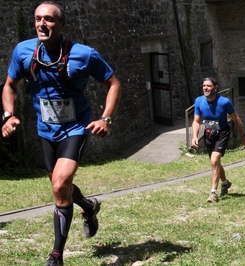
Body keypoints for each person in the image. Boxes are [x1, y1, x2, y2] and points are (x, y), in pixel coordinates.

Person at [1, 2, 122, 265]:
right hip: (46, 130)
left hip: (75, 127)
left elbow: (113, 84)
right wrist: (8, 115)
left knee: (59, 184)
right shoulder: (23, 51)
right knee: (60, 188)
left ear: (63, 24)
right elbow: (10, 85)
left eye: (49, 19)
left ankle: (56, 255)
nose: (42, 24)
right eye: (37, 19)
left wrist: (106, 118)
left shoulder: (84, 54)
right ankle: (88, 207)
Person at [191, 77, 245, 203]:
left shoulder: (224, 102)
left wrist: (243, 135)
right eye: (204, 86)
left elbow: (236, 118)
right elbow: (196, 121)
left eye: (209, 86)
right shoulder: (199, 101)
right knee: (215, 162)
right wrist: (194, 136)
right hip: (209, 134)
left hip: (222, 133)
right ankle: (225, 182)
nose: (205, 88)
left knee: (215, 159)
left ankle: (213, 192)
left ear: (215, 88)